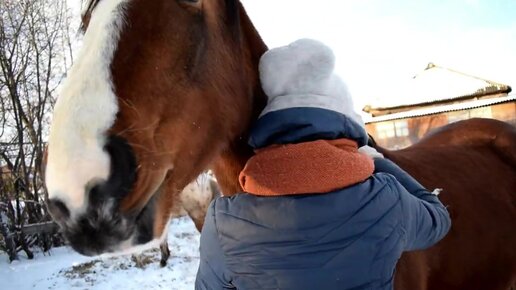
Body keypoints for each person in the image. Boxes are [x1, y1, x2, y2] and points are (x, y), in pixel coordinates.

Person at [195, 39, 451, 290]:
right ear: (346, 122)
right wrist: (378, 162)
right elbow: (437, 220)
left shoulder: (223, 221)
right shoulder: (386, 198)